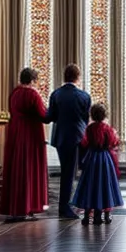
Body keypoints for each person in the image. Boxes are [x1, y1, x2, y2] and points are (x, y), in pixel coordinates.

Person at [0, 67, 49, 223]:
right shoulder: (32, 94)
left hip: (15, 133)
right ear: (33, 80)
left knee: (17, 169)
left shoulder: (14, 93)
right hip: (30, 135)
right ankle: (28, 207)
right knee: (29, 169)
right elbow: (43, 116)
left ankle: (15, 208)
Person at [46, 63, 92, 219]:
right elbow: (85, 119)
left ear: (64, 77)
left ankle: (65, 205)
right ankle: (74, 205)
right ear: (78, 78)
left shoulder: (56, 94)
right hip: (78, 138)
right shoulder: (84, 96)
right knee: (77, 173)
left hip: (60, 138)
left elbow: (50, 117)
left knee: (66, 173)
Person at [72, 104, 123, 225]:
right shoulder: (107, 128)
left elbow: (85, 143)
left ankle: (87, 215)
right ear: (105, 115)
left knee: (90, 186)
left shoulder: (89, 128)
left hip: (91, 158)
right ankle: (104, 215)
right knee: (104, 185)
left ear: (92, 115)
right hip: (105, 159)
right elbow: (113, 142)